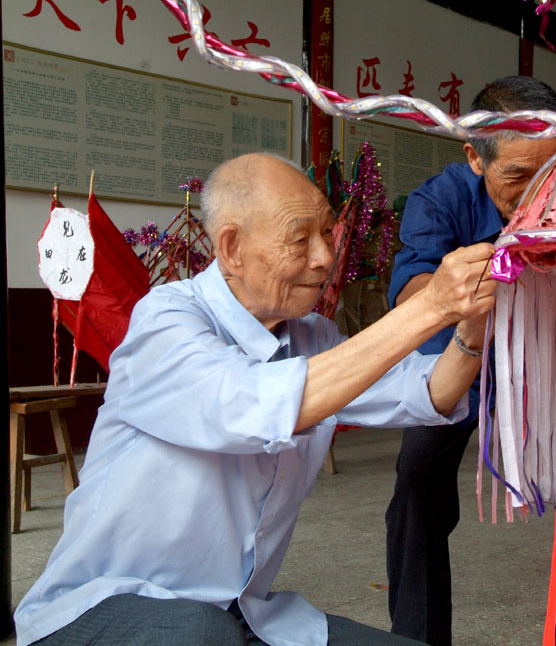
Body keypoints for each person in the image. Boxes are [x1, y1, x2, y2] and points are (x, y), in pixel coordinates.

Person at [14, 152, 497, 646]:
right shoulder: (164, 321)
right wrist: (432, 305)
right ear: (232, 248)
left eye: (327, 233)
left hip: (240, 617)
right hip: (103, 609)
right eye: (300, 238)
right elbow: (254, 405)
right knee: (198, 633)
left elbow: (428, 391)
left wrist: (471, 328)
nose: (325, 257)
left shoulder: (314, 338)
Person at [385, 76, 556, 645]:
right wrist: (455, 292)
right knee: (417, 487)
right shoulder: (437, 201)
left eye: (549, 171)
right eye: (516, 175)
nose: (535, 189)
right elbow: (414, 290)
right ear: (474, 156)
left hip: (554, 357)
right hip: (461, 362)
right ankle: (419, 637)